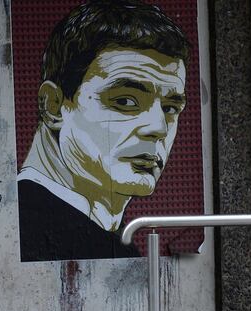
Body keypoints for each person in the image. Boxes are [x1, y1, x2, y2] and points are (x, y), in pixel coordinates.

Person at [18, 0, 190, 261]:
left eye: (169, 108)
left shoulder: (100, 234)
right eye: (125, 101)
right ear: (53, 106)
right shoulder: (26, 226)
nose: (158, 128)